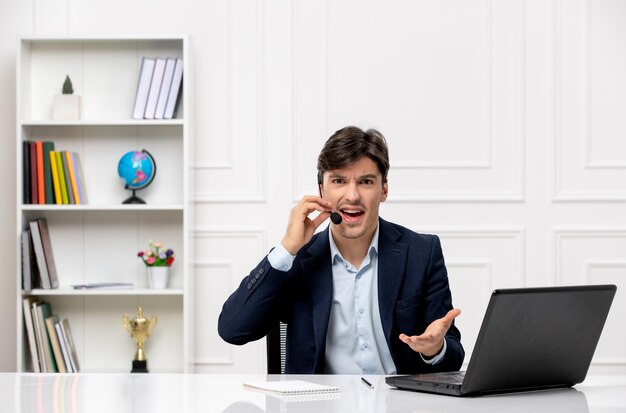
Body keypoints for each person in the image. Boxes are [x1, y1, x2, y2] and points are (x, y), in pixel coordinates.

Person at [218, 126, 464, 374]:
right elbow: (233, 330)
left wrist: (434, 348)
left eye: (366, 181)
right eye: (339, 181)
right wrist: (287, 249)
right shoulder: (296, 259)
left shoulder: (421, 252)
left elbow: (451, 357)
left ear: (384, 190)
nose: (353, 195)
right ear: (322, 190)